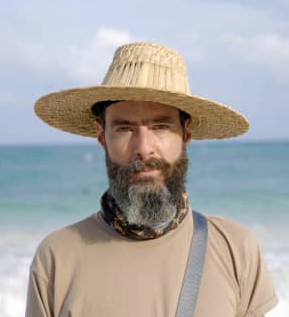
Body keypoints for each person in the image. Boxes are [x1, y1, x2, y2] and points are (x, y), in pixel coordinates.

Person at [26, 42, 278, 317]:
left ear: (185, 135)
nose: (144, 147)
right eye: (124, 128)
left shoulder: (235, 248)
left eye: (161, 126)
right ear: (102, 137)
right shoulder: (56, 257)